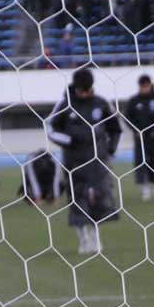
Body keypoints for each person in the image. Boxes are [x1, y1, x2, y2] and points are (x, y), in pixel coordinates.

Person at [46, 68, 122, 255]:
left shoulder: (101, 103)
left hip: (98, 161)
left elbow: (115, 128)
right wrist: (69, 140)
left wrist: (110, 150)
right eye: (81, 90)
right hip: (74, 162)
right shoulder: (65, 105)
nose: (84, 94)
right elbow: (50, 127)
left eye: (87, 90)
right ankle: (83, 240)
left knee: (98, 201)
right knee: (77, 201)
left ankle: (96, 239)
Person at [124, 74, 154, 201]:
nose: (145, 88)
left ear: (150, 85)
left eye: (147, 86)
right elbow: (128, 118)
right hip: (140, 137)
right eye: (142, 86)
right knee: (142, 163)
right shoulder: (134, 100)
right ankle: (145, 190)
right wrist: (135, 130)